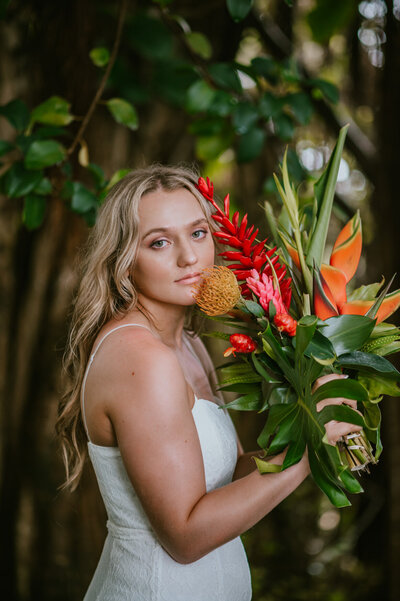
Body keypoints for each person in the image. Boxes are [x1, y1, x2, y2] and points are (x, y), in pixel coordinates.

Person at [57, 164, 361, 601]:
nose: (188, 257)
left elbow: (228, 476)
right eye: (159, 242)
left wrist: (315, 421)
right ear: (123, 261)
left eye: (198, 233)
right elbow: (184, 537)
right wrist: (309, 449)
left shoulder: (190, 343)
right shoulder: (141, 359)